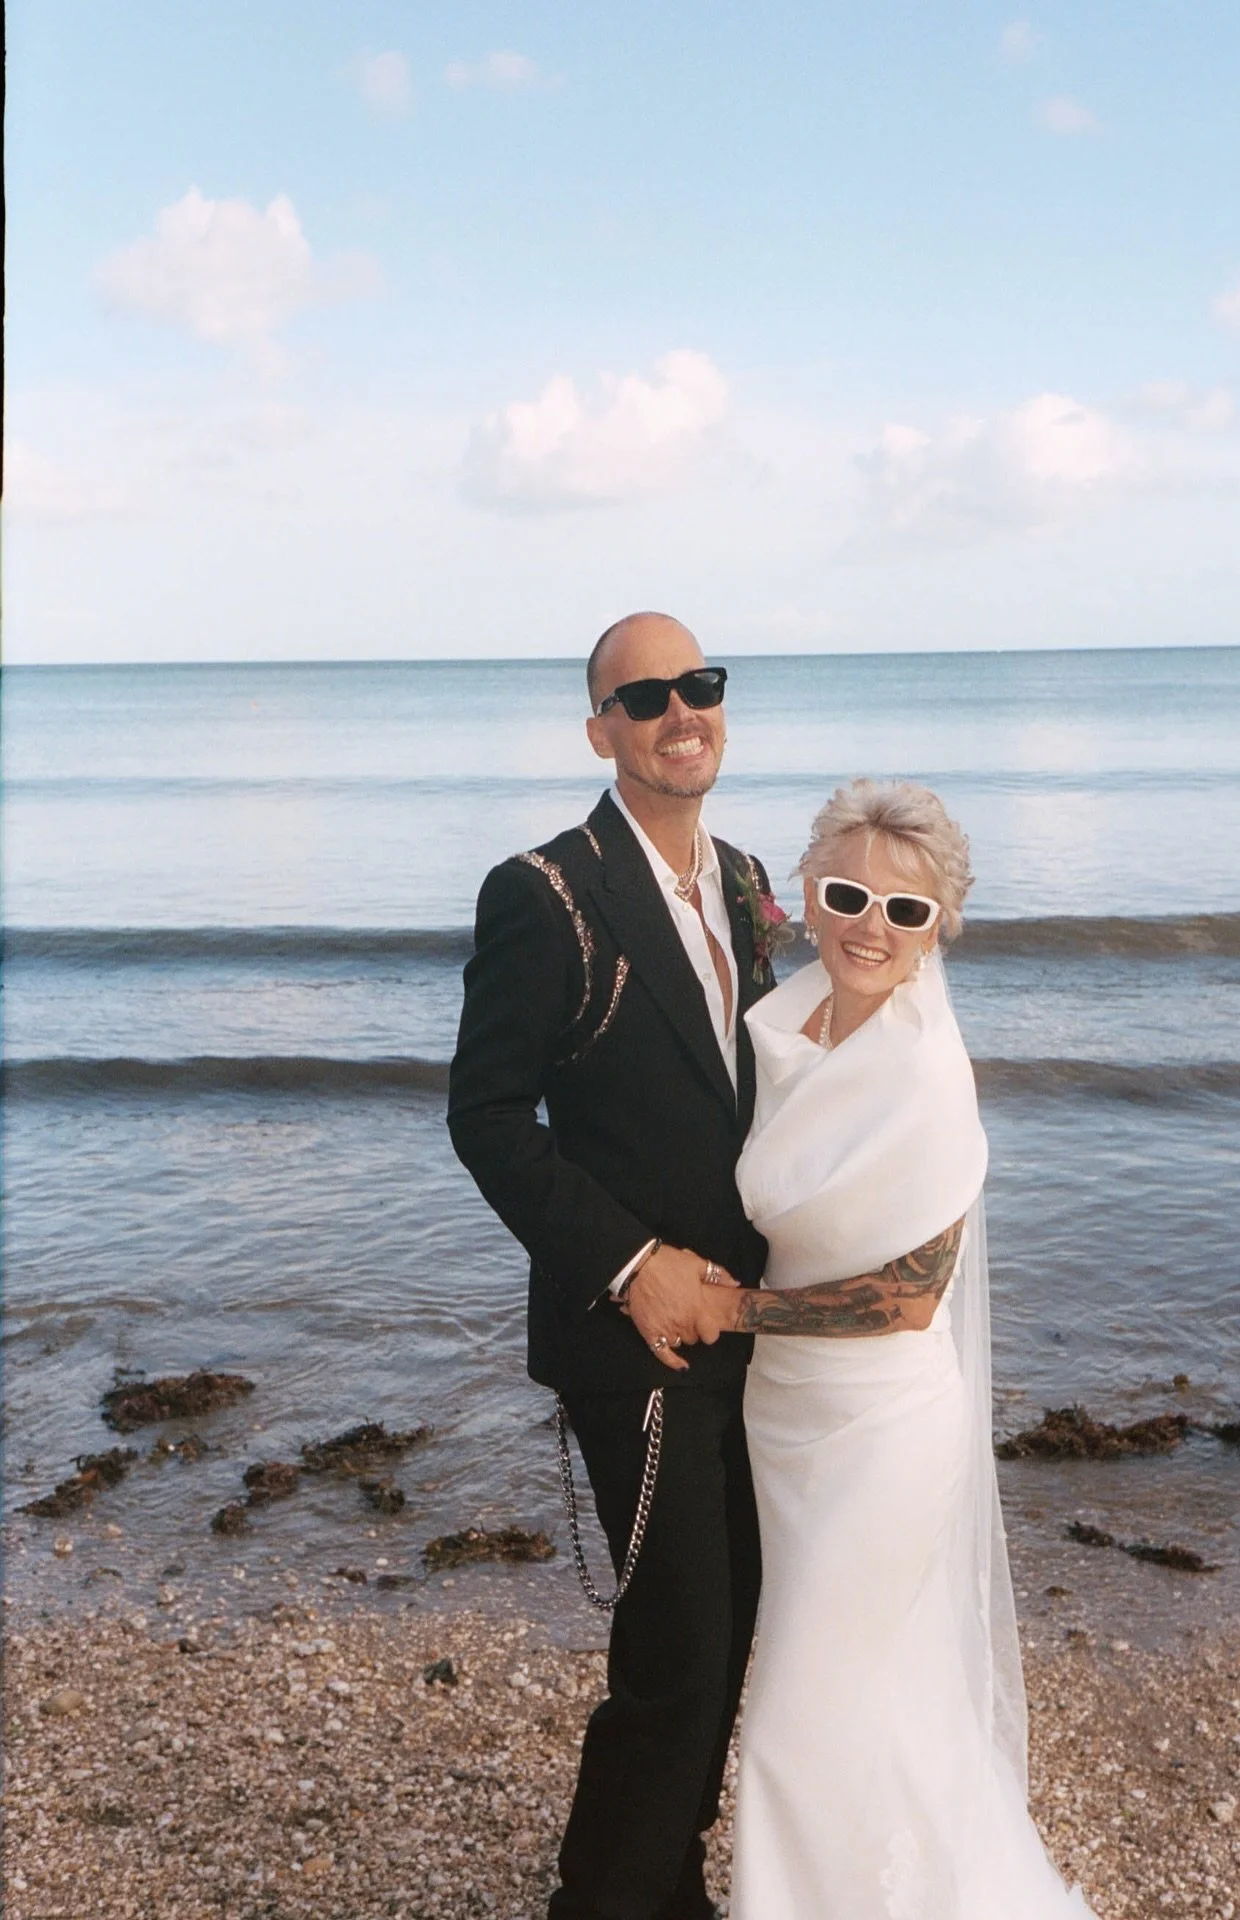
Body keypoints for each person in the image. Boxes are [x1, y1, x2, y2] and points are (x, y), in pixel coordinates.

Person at [689, 779, 1096, 1919]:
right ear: (806, 900)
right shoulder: (784, 1018)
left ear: (938, 931)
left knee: (799, 1710)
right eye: (850, 894)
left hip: (882, 1429)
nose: (873, 926)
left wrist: (731, 1312)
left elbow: (907, 1301)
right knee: (879, 1694)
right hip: (786, 1421)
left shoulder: (925, 1076)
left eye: (907, 911)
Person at [447, 612, 781, 1920]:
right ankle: (605, 1897)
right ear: (603, 731)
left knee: (742, 1621)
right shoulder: (544, 891)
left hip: (755, 1323)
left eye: (700, 686)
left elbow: (764, 1092)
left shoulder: (748, 885)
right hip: (630, 1335)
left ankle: (663, 1876)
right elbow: (485, 1118)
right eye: (646, 697)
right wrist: (633, 1264)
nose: (680, 713)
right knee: (679, 1653)